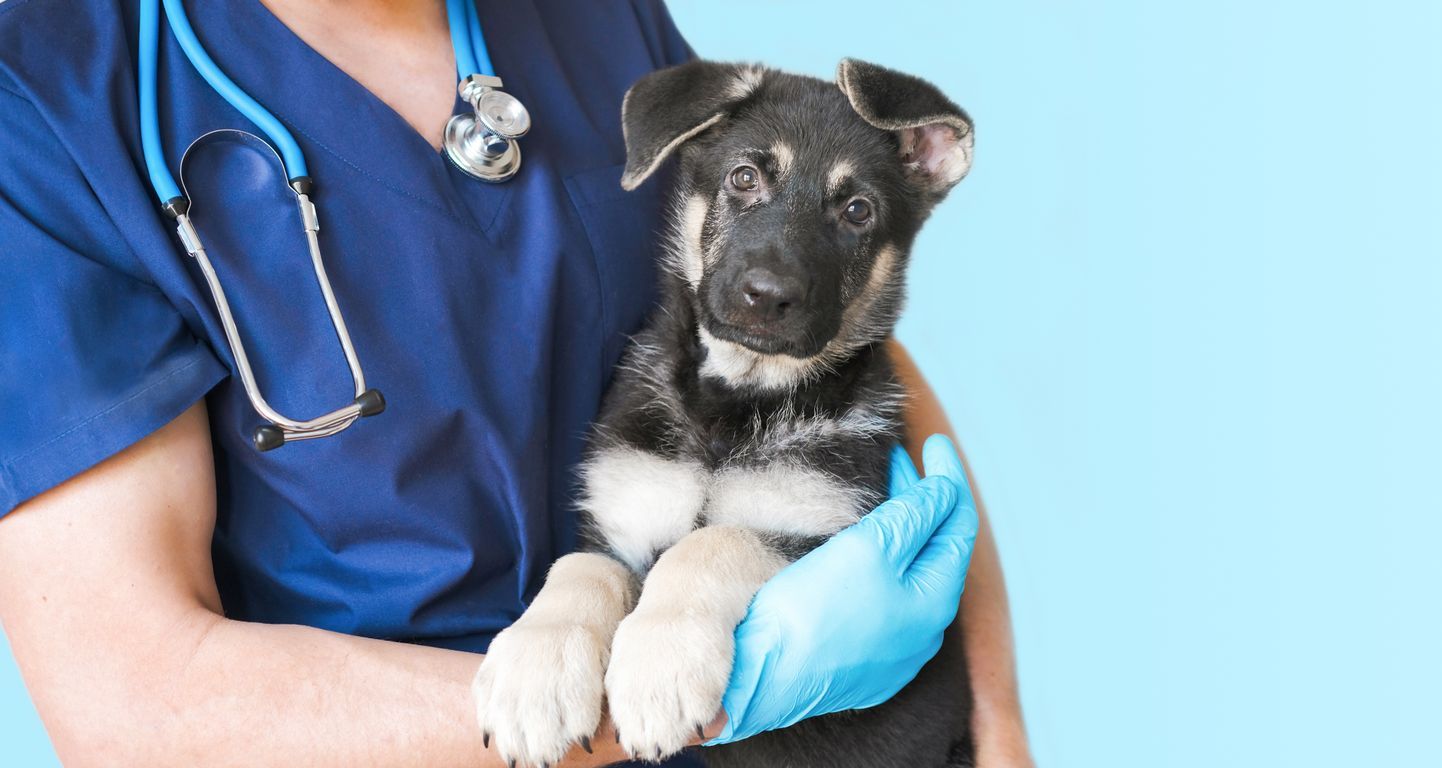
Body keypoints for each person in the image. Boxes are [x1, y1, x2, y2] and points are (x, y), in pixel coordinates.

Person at [0, 0, 1031, 766]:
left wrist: (1001, 729)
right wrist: (656, 694)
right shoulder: (50, 99)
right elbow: (134, 698)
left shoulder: (590, 17)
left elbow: (816, 332)